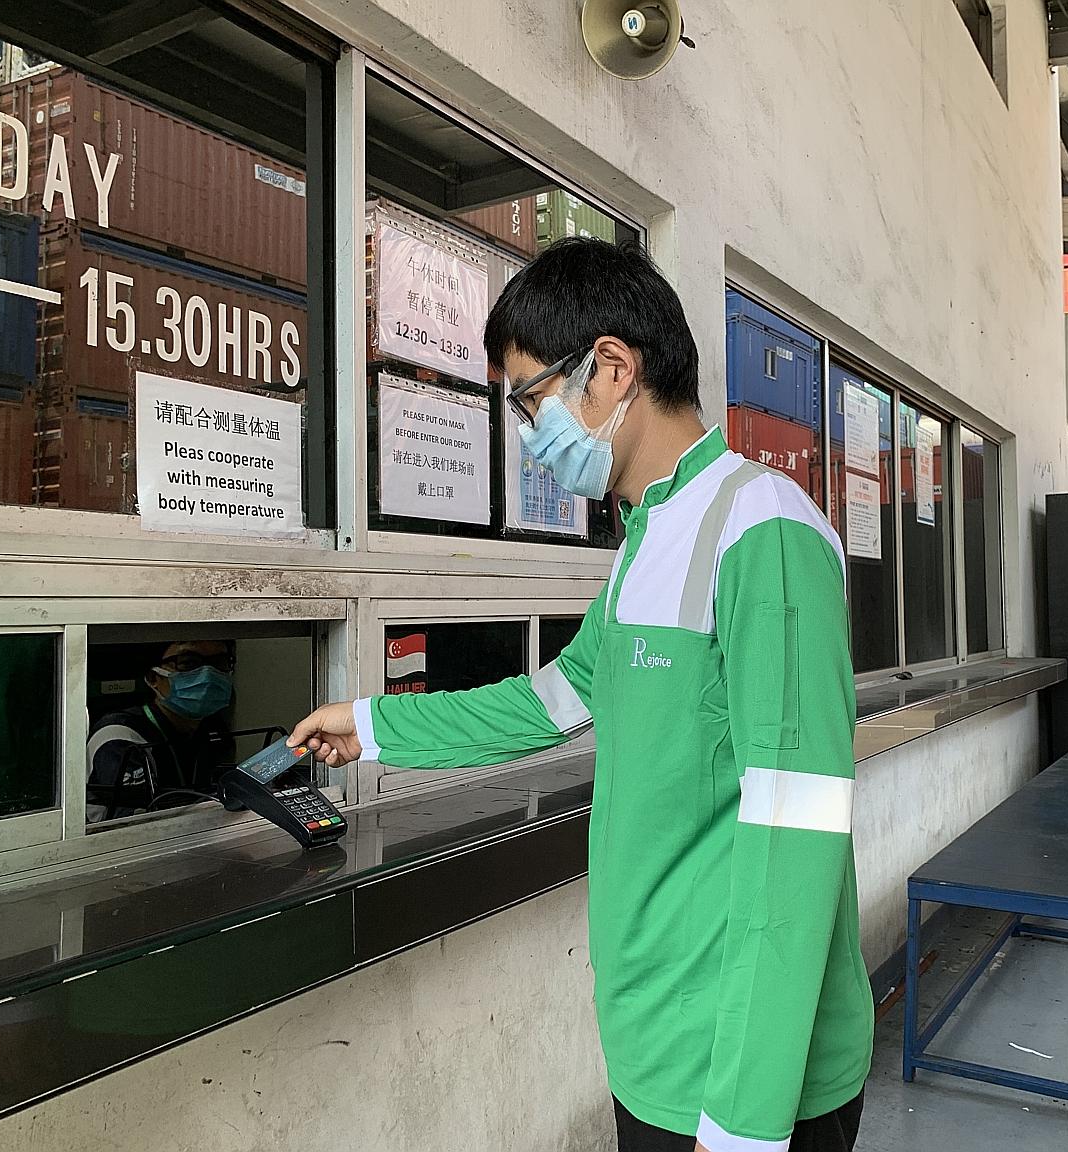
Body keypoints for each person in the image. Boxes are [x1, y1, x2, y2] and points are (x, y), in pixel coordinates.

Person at [289, 239, 872, 1152]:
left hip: (748, 1074)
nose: (527, 435)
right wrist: (369, 725)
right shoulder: (646, 538)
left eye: (530, 400)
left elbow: (797, 826)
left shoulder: (764, 531)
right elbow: (545, 703)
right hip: (658, 1045)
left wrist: (748, 1121)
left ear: (611, 368)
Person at [86, 639, 234, 822]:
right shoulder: (120, 737)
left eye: (220, 662)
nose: (209, 674)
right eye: (188, 663)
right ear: (153, 678)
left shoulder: (214, 732)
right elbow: (135, 824)